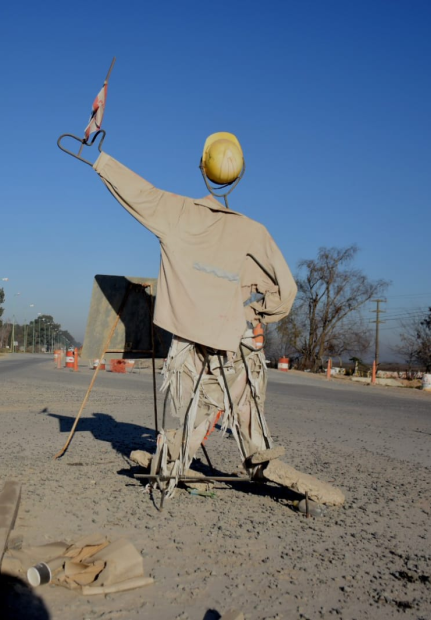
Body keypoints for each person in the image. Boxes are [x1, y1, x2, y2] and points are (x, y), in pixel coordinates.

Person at [89, 133, 343, 506]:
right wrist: (254, 312)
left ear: (202, 167)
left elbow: (139, 193)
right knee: (244, 406)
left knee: (187, 404)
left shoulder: (177, 213)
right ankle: (258, 458)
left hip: (188, 342)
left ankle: (173, 462)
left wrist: (100, 161)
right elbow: (286, 291)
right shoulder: (253, 231)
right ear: (238, 176)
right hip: (234, 339)